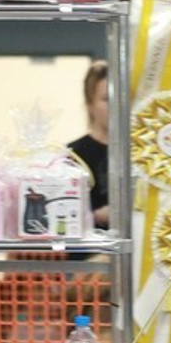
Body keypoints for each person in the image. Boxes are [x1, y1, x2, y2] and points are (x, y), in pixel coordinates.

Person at [68, 61, 109, 230]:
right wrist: (96, 216)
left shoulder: (142, 154)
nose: (116, 106)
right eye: (106, 99)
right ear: (89, 104)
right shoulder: (71, 156)